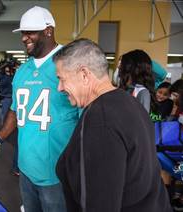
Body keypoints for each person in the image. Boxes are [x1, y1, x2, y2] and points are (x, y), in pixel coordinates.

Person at [54, 38, 172, 212]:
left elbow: (100, 204)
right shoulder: (127, 102)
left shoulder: (100, 121)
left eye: (62, 79)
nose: (59, 87)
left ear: (84, 75)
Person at [0, 6, 79, 211]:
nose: (24, 38)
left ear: (48, 31)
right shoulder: (22, 71)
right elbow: (16, 111)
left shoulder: (70, 64)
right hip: (26, 169)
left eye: (30, 32)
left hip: (56, 174)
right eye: (22, 33)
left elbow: (87, 118)